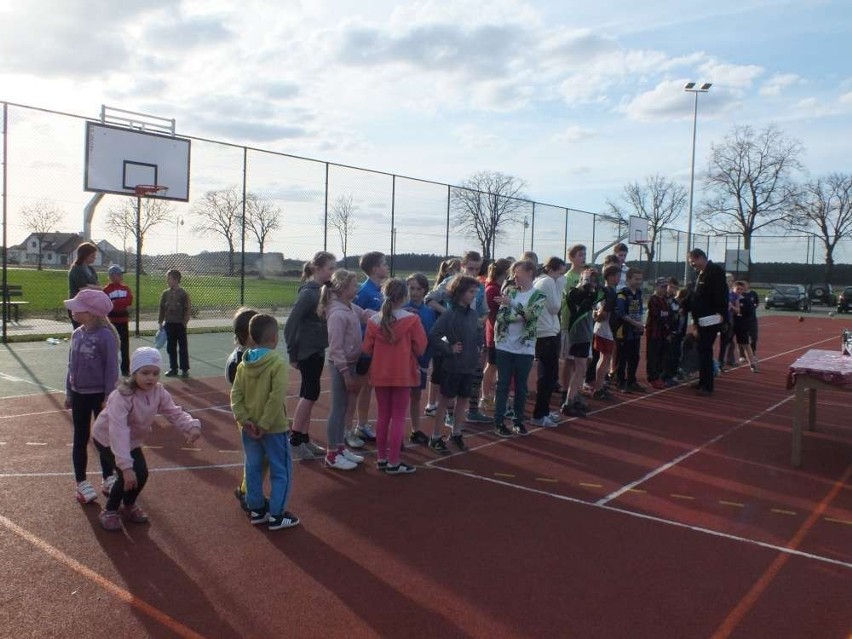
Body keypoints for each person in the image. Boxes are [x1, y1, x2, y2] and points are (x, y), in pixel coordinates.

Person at [92, 347, 201, 531]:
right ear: (134, 373)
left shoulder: (158, 391)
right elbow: (117, 431)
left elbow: (173, 411)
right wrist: (126, 467)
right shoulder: (122, 395)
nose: (150, 378)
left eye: (155, 373)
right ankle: (110, 510)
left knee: (141, 474)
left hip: (131, 440)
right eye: (145, 373)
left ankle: (128, 505)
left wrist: (191, 425)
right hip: (107, 438)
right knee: (125, 476)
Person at [230, 314, 300, 530]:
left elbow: (236, 395)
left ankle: (257, 509)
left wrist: (245, 419)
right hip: (273, 428)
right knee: (282, 470)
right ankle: (277, 515)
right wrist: (265, 424)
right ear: (274, 338)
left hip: (249, 428)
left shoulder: (244, 364)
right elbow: (276, 397)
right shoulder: (277, 363)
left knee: (252, 467)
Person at [363, 279, 427, 474]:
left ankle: (382, 458)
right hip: (402, 373)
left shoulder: (374, 321)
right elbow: (421, 346)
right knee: (398, 417)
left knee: (383, 416)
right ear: (405, 297)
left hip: (381, 373)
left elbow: (366, 348)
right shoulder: (412, 320)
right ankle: (393, 461)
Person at [63, 288, 120, 504]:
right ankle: (81, 482)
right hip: (79, 395)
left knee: (103, 438)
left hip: (100, 397)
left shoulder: (106, 336)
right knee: (81, 437)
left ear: (90, 312)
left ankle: (108, 477)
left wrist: (109, 397)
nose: (72, 312)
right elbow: (70, 367)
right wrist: (69, 392)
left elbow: (111, 370)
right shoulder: (76, 334)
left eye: (77, 308)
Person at [426, 251, 491, 425]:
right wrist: (448, 314)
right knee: (451, 377)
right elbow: (430, 299)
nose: (473, 272)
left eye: (477, 269)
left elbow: (485, 311)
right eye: (470, 268)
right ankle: (449, 414)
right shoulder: (450, 283)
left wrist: (478, 321)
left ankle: (472, 410)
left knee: (473, 374)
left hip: (473, 335)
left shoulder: (480, 286)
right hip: (454, 337)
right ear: (462, 266)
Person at [284, 251, 336, 460]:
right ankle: (295, 440)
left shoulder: (323, 291)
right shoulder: (308, 294)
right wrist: (292, 352)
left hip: (316, 349)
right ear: (317, 269)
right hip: (307, 352)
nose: (332, 273)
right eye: (330, 268)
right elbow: (291, 324)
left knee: (310, 393)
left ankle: (304, 438)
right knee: (309, 394)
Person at [321, 269, 373, 470]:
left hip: (351, 363)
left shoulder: (349, 306)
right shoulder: (336, 314)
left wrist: (389, 314)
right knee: (337, 409)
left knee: (343, 409)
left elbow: (366, 315)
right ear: (343, 288)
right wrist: (345, 375)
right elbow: (335, 349)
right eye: (354, 285)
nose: (357, 287)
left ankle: (341, 448)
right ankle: (332, 453)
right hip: (340, 366)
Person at [428, 275, 482, 453]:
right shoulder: (449, 315)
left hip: (469, 365)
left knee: (463, 400)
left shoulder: (473, 315)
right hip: (453, 366)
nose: (475, 295)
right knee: (445, 401)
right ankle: (435, 437)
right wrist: (449, 348)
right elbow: (434, 335)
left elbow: (477, 333)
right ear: (459, 293)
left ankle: (456, 433)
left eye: (475, 291)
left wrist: (478, 347)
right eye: (471, 292)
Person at [493, 260, 547, 435]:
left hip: (525, 347)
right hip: (504, 345)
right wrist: (519, 313)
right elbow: (501, 317)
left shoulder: (539, 295)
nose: (514, 278)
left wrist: (514, 306)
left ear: (530, 273)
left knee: (521, 387)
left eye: (518, 274)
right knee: (502, 384)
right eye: (513, 274)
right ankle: (499, 422)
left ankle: (518, 420)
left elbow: (532, 315)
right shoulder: (509, 292)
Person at [353, 251, 390, 447]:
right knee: (357, 387)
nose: (387, 267)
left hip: (377, 345)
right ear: (375, 269)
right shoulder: (364, 291)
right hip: (364, 346)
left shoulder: (381, 290)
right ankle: (350, 428)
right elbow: (355, 316)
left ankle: (362, 424)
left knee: (369, 386)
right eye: (384, 264)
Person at [226, 306, 259, 509]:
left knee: (258, 458)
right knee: (254, 458)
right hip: (249, 416)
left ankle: (248, 491)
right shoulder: (242, 360)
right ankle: (248, 494)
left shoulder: (252, 355)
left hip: (255, 414)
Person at [684, 248, 729, 396]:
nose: (692, 265)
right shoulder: (698, 274)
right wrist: (683, 306)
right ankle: (703, 380)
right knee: (702, 349)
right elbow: (693, 294)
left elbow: (721, 294)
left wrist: (721, 314)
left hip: (711, 318)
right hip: (699, 319)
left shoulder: (715, 272)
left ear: (701, 258)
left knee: (705, 349)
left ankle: (707, 385)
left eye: (693, 262)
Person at [531, 257, 566, 426]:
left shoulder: (541, 281)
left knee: (548, 375)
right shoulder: (548, 282)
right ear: (552, 270)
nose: (562, 276)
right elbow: (555, 307)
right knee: (548, 376)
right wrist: (559, 286)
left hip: (545, 332)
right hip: (546, 334)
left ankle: (543, 411)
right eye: (561, 272)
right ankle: (539, 414)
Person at [404, 273, 437, 445]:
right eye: (411, 288)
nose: (414, 292)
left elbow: (432, 336)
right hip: (403, 361)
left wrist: (426, 358)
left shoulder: (430, 312)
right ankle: (396, 431)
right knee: (400, 397)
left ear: (425, 291)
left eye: (418, 289)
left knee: (416, 396)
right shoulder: (401, 309)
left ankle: (415, 430)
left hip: (421, 361)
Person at [560, 268, 599, 417]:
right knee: (580, 369)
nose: (592, 284)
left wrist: (590, 282)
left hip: (584, 335)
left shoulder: (589, 294)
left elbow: (598, 293)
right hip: (578, 335)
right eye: (590, 280)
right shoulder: (574, 293)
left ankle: (572, 397)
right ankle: (569, 401)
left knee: (581, 369)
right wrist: (585, 279)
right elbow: (578, 294)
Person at [482, 258, 512, 411]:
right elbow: (499, 310)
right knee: (492, 366)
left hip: (500, 333)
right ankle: (485, 397)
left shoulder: (499, 287)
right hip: (495, 334)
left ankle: (495, 397)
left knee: (499, 367)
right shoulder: (493, 289)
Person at [559, 244, 587, 403]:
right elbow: (571, 299)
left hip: (584, 324)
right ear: (572, 258)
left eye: (584, 254)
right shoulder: (568, 278)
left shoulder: (586, 275)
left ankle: (574, 390)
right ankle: (565, 391)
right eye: (580, 255)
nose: (583, 258)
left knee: (581, 360)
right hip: (570, 323)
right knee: (569, 360)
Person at [590, 264, 621, 401]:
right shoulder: (610, 292)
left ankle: (599, 386)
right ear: (611, 276)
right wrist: (598, 316)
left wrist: (596, 316)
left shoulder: (604, 290)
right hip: (605, 328)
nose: (619, 278)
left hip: (602, 327)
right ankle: (598, 388)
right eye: (617, 275)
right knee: (605, 358)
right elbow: (604, 313)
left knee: (604, 358)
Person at [614, 267, 646, 393]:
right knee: (622, 357)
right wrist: (635, 324)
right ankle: (620, 381)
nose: (638, 282)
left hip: (635, 332)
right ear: (628, 279)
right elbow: (621, 314)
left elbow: (639, 311)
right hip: (624, 331)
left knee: (634, 357)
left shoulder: (638, 293)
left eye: (640, 279)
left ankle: (632, 381)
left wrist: (640, 323)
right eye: (636, 279)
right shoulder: (622, 294)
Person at [158, 269, 191, 378]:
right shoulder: (165, 293)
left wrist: (184, 322)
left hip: (179, 324)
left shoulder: (183, 294)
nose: (167, 281)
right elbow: (162, 308)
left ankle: (185, 369)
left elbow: (187, 309)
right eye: (167, 279)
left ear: (176, 280)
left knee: (182, 347)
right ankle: (173, 368)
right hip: (169, 324)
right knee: (170, 347)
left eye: (170, 279)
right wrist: (160, 322)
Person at [103, 264, 133, 376]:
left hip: (123, 321)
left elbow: (129, 301)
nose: (121, 276)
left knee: (125, 345)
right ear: (112, 276)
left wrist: (117, 302)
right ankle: (110, 368)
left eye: (121, 274)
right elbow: (107, 305)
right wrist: (118, 302)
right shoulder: (106, 290)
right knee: (111, 345)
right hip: (112, 322)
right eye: (119, 274)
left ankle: (125, 369)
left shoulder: (126, 288)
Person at [645, 277, 671, 390]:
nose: (664, 289)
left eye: (666, 287)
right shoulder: (653, 299)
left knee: (661, 355)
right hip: (654, 332)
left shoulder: (665, 300)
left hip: (662, 333)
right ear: (657, 287)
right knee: (652, 356)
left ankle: (658, 376)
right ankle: (652, 377)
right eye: (662, 287)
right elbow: (657, 316)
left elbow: (667, 315)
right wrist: (665, 323)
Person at [67, 241, 100, 329]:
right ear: (85, 255)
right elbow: (83, 289)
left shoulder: (91, 269)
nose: (94, 258)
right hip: (79, 307)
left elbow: (98, 285)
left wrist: (92, 287)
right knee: (81, 333)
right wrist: (95, 288)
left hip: (90, 306)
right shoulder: (76, 269)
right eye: (92, 256)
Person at [732, 280, 759, 372]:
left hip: (742, 325)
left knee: (746, 344)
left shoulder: (746, 300)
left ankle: (752, 364)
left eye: (741, 289)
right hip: (731, 324)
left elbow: (750, 312)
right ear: (733, 289)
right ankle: (723, 363)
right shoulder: (729, 298)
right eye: (737, 289)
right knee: (726, 343)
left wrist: (740, 311)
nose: (739, 290)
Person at [741, 280, 760, 356]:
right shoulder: (740, 294)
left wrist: (754, 308)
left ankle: (752, 351)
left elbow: (757, 303)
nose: (743, 286)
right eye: (742, 284)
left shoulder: (753, 293)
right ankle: (742, 354)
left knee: (754, 336)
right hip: (742, 319)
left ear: (748, 285)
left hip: (752, 319)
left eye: (744, 284)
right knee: (743, 337)